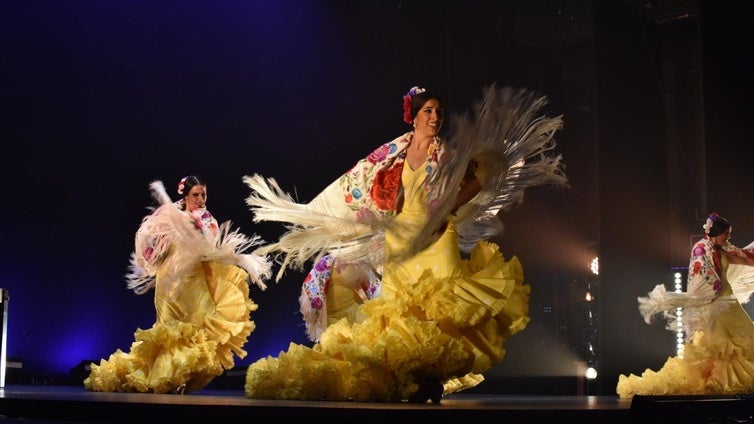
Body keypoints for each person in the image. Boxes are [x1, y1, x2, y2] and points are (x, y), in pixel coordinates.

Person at [242, 84, 567, 403]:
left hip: (437, 238)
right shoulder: (391, 153)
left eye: (439, 111)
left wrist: (446, 209)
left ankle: (431, 378)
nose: (435, 116)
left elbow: (477, 180)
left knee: (440, 308)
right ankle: (415, 378)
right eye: (428, 111)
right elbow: (358, 182)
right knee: (402, 313)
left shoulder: (446, 154)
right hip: (402, 241)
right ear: (413, 116)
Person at [83, 175, 272, 394]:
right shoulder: (169, 213)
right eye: (196, 195)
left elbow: (210, 245)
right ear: (185, 194)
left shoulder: (206, 218)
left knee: (200, 322)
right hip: (170, 280)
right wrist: (158, 250)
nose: (201, 198)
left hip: (193, 279)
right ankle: (167, 378)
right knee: (168, 330)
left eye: (204, 194)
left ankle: (181, 377)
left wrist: (195, 230)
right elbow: (149, 239)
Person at [617, 212, 754, 398]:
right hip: (715, 304)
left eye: (729, 234)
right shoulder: (700, 249)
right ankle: (720, 383)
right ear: (714, 233)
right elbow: (701, 282)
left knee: (742, 338)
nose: (728, 237)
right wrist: (708, 299)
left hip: (728, 301)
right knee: (722, 347)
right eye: (725, 234)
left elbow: (745, 258)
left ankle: (727, 382)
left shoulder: (724, 248)